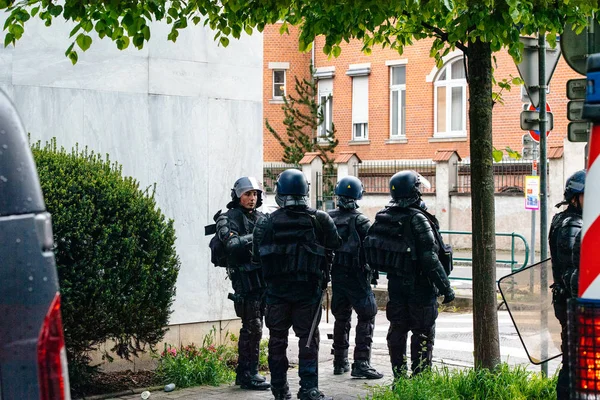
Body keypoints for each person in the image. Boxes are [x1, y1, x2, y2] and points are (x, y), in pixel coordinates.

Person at [253, 169, 341, 400]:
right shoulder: (320, 219)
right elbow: (335, 244)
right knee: (309, 340)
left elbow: (255, 255)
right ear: (305, 190)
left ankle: (279, 389)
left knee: (277, 340)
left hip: (276, 293)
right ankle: (309, 388)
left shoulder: (266, 222)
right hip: (308, 292)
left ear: (279, 191)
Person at [363, 170, 455, 379]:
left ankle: (399, 378)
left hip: (395, 285)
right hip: (420, 286)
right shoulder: (418, 219)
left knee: (397, 330)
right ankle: (420, 379)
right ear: (413, 191)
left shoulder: (385, 216)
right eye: (418, 187)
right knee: (423, 333)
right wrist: (446, 288)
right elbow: (430, 259)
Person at [215, 177, 271, 391]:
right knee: (252, 326)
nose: (252, 198)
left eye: (255, 194)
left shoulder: (261, 217)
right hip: (244, 279)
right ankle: (249, 374)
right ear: (238, 195)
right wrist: (255, 235)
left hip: (261, 278)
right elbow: (230, 244)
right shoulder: (227, 218)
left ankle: (245, 372)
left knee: (257, 326)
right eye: (248, 194)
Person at [328, 176, 383, 379]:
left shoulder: (328, 217)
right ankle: (361, 363)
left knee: (341, 317)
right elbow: (373, 245)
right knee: (367, 316)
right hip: (358, 277)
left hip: (337, 276)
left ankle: (339, 361)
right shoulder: (360, 220)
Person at [549, 169, 585, 400]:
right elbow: (571, 272)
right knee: (573, 361)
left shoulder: (566, 219)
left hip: (568, 302)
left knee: (573, 360)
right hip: (571, 303)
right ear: (575, 197)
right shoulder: (572, 224)